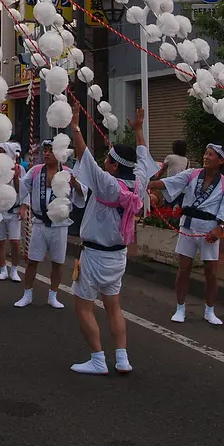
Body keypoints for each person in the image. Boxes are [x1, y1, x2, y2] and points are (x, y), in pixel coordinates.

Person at [70, 105, 154, 375]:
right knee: (113, 305)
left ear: (115, 165)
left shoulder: (108, 183)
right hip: (119, 255)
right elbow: (143, 158)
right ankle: (122, 357)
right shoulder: (138, 183)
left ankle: (97, 359)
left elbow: (84, 156)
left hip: (94, 255)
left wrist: (75, 126)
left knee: (83, 307)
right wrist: (139, 131)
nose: (104, 161)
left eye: (108, 158)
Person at [150, 144, 224, 326]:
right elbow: (169, 182)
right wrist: (145, 182)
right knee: (184, 269)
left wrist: (219, 229)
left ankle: (210, 310)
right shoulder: (192, 174)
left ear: (221, 160)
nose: (206, 156)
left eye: (211, 155)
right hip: (188, 225)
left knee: (210, 272)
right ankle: (180, 308)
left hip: (209, 228)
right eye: (205, 153)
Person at [15, 139, 84, 308]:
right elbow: (22, 189)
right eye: (45, 150)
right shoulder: (36, 171)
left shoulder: (68, 172)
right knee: (32, 261)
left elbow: (83, 193)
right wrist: (14, 176)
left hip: (60, 225)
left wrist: (75, 183)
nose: (45, 153)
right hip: (39, 222)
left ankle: (53, 295)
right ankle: (27, 294)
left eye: (50, 151)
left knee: (57, 262)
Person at [0, 142, 26, 283]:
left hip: (14, 210)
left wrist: (24, 207)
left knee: (15, 242)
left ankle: (14, 269)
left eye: (3, 152)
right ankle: (2, 269)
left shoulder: (19, 169)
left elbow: (23, 191)